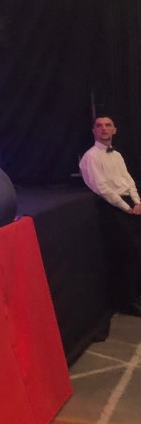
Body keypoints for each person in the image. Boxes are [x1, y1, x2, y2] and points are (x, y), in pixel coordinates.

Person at [79, 115, 141, 316]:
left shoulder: (117, 155)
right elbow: (102, 188)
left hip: (129, 205)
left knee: (135, 252)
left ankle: (135, 294)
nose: (104, 128)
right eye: (99, 125)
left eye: (108, 125)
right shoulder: (91, 157)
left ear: (115, 130)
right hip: (112, 208)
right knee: (126, 253)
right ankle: (126, 302)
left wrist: (137, 202)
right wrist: (126, 207)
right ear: (94, 131)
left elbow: (128, 180)